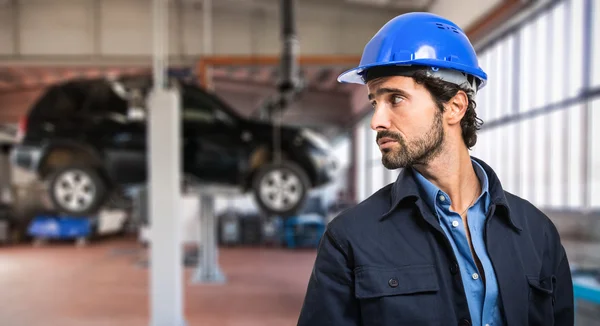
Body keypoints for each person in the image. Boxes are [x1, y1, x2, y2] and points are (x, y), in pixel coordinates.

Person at [296, 12, 574, 326]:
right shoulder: (350, 238)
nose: (377, 121)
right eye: (375, 102)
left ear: (455, 107)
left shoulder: (538, 233)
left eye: (396, 99)